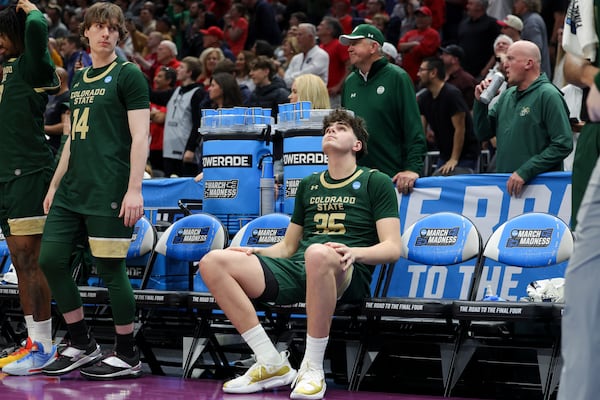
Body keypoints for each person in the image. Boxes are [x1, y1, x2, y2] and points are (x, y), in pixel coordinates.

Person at [199, 108, 401, 399]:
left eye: (341, 128)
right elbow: (288, 247)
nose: (331, 130)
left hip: (345, 272)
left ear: (357, 145)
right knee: (214, 261)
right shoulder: (309, 184)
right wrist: (257, 251)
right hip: (301, 265)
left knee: (318, 253)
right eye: (328, 128)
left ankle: (312, 368)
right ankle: (270, 362)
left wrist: (354, 253)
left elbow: (394, 247)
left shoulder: (375, 181)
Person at [37, 1, 150, 380]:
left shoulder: (129, 74)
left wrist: (135, 188)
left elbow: (141, 136)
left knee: (110, 269)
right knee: (50, 260)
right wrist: (55, 182)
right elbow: (71, 139)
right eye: (99, 27)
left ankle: (127, 352)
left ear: (120, 34)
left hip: (110, 188)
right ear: (85, 32)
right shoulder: (81, 77)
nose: (105, 33)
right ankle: (82, 342)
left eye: (113, 28)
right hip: (72, 189)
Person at [0, 0, 59, 376]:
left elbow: (37, 31)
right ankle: (32, 341)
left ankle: (45, 345)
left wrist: (32, 12)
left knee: (30, 259)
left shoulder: (32, 65)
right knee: (20, 263)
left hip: (29, 173)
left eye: (4, 35)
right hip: (4, 177)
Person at [472, 40, 572, 197]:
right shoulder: (507, 95)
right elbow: (482, 133)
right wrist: (480, 104)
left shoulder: (548, 95)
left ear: (528, 63)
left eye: (510, 59)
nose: (505, 64)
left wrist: (526, 171)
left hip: (540, 190)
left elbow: (563, 144)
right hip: (508, 187)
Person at [340, 24, 427, 194]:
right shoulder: (350, 82)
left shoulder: (397, 77)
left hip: (392, 179)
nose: (349, 49)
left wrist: (412, 168)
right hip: (355, 181)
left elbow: (413, 128)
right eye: (349, 45)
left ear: (373, 47)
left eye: (355, 43)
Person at [417, 57, 480, 175]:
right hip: (444, 154)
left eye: (421, 70)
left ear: (433, 73)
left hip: (465, 155)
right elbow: (421, 131)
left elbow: (460, 129)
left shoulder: (452, 94)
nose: (418, 74)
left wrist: (454, 159)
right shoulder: (424, 98)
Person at [163, 56, 206, 177]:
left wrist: (191, 148)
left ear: (189, 72)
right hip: (169, 149)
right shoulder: (176, 90)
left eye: (181, 67)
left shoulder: (198, 93)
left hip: (186, 152)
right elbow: (153, 95)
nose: (177, 69)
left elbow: (198, 123)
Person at [397, 6, 441, 84]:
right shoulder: (410, 33)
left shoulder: (433, 34)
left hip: (423, 78)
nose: (419, 19)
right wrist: (414, 44)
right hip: (407, 75)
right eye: (417, 16)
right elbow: (400, 46)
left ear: (430, 19)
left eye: (423, 16)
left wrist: (407, 48)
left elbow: (422, 52)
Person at [284, 23, 329, 88]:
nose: (297, 38)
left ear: (310, 37)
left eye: (300, 35)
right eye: (296, 35)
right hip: (296, 96)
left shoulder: (321, 55)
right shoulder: (296, 58)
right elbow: (286, 81)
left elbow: (306, 77)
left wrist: (292, 78)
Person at [439, 44, 478, 109]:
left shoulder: (466, 80)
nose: (441, 57)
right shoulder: (440, 76)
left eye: (445, 55)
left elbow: (471, 107)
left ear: (454, 60)